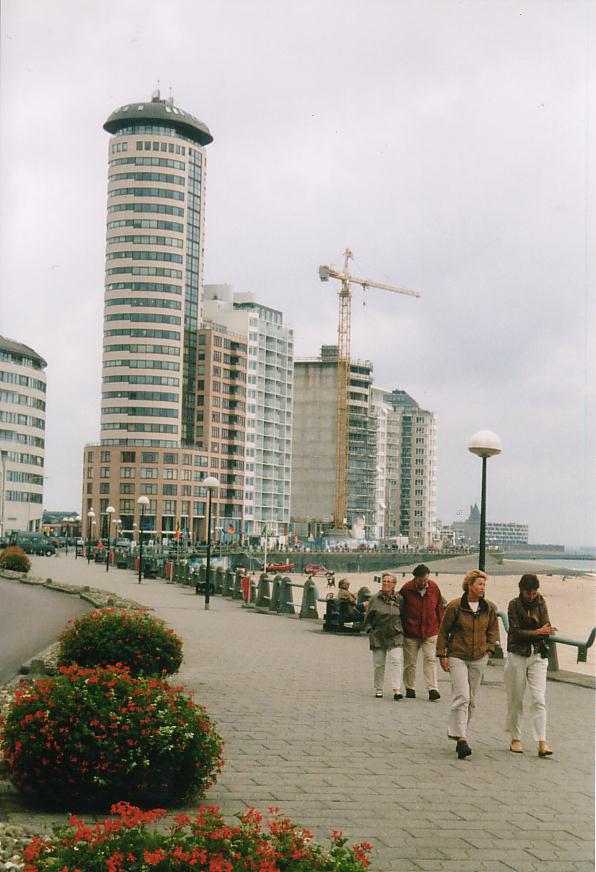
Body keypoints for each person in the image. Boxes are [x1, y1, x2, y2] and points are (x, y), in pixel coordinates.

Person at [436, 569, 500, 759]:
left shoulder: (489, 608)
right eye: (479, 584)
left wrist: (489, 650)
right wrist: (442, 654)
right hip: (458, 655)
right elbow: (443, 631)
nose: (482, 588)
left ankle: (460, 733)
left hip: (479, 657)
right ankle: (461, 738)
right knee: (462, 695)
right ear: (469, 585)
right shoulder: (456, 606)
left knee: (471, 699)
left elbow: (493, 631)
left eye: (484, 584)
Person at [504, 574, 556, 758]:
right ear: (521, 590)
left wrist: (542, 632)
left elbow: (546, 628)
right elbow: (516, 633)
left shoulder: (542, 603)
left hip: (538, 655)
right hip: (518, 654)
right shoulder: (513, 605)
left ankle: (542, 740)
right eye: (528, 593)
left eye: (534, 593)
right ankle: (515, 737)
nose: (531, 596)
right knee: (516, 698)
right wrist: (538, 632)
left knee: (538, 699)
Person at [399, 564, 444, 701]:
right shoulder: (406, 589)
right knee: (410, 662)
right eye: (421, 580)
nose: (424, 583)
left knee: (430, 659)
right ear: (415, 578)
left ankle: (432, 688)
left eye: (426, 580)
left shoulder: (434, 587)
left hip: (430, 630)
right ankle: (410, 687)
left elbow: (439, 607)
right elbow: (400, 610)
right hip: (411, 631)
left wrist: (441, 627)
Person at [363, 573, 404, 700]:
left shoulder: (399, 599)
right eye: (384, 581)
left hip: (395, 634)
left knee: (396, 661)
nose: (385, 583)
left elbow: (404, 615)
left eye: (388, 582)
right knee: (379, 663)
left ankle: (397, 689)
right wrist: (370, 630)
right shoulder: (374, 599)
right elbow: (368, 618)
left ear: (394, 585)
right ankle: (379, 687)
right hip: (378, 634)